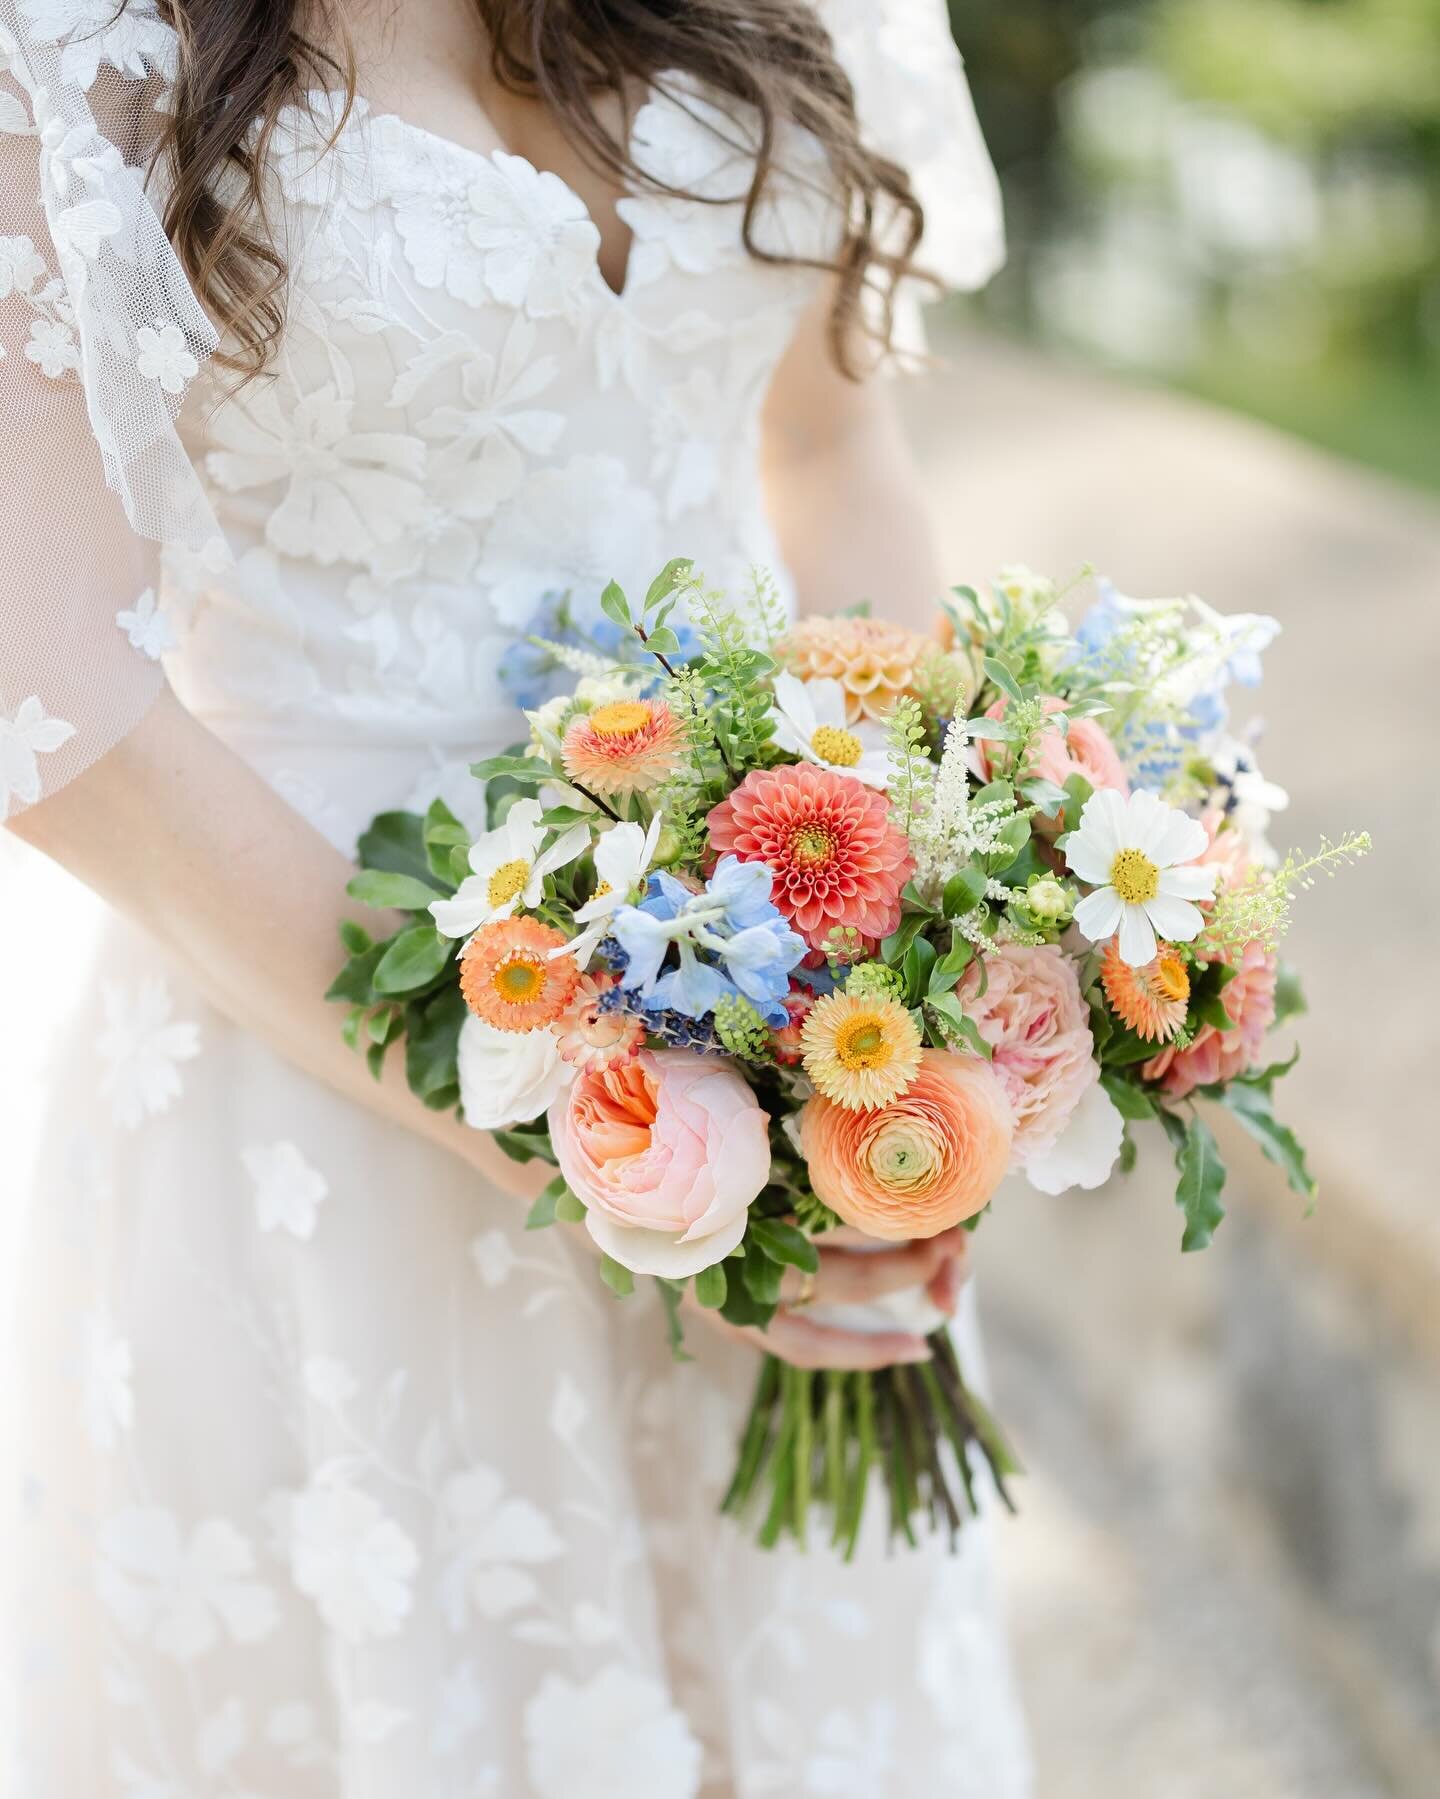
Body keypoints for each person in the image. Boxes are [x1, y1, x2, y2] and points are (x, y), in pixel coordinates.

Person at [1, 0, 1031, 1790]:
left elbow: (833, 453)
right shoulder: (73, 39)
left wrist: (916, 947)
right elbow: (60, 709)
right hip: (320, 1070)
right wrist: (580, 1134)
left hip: (772, 993)